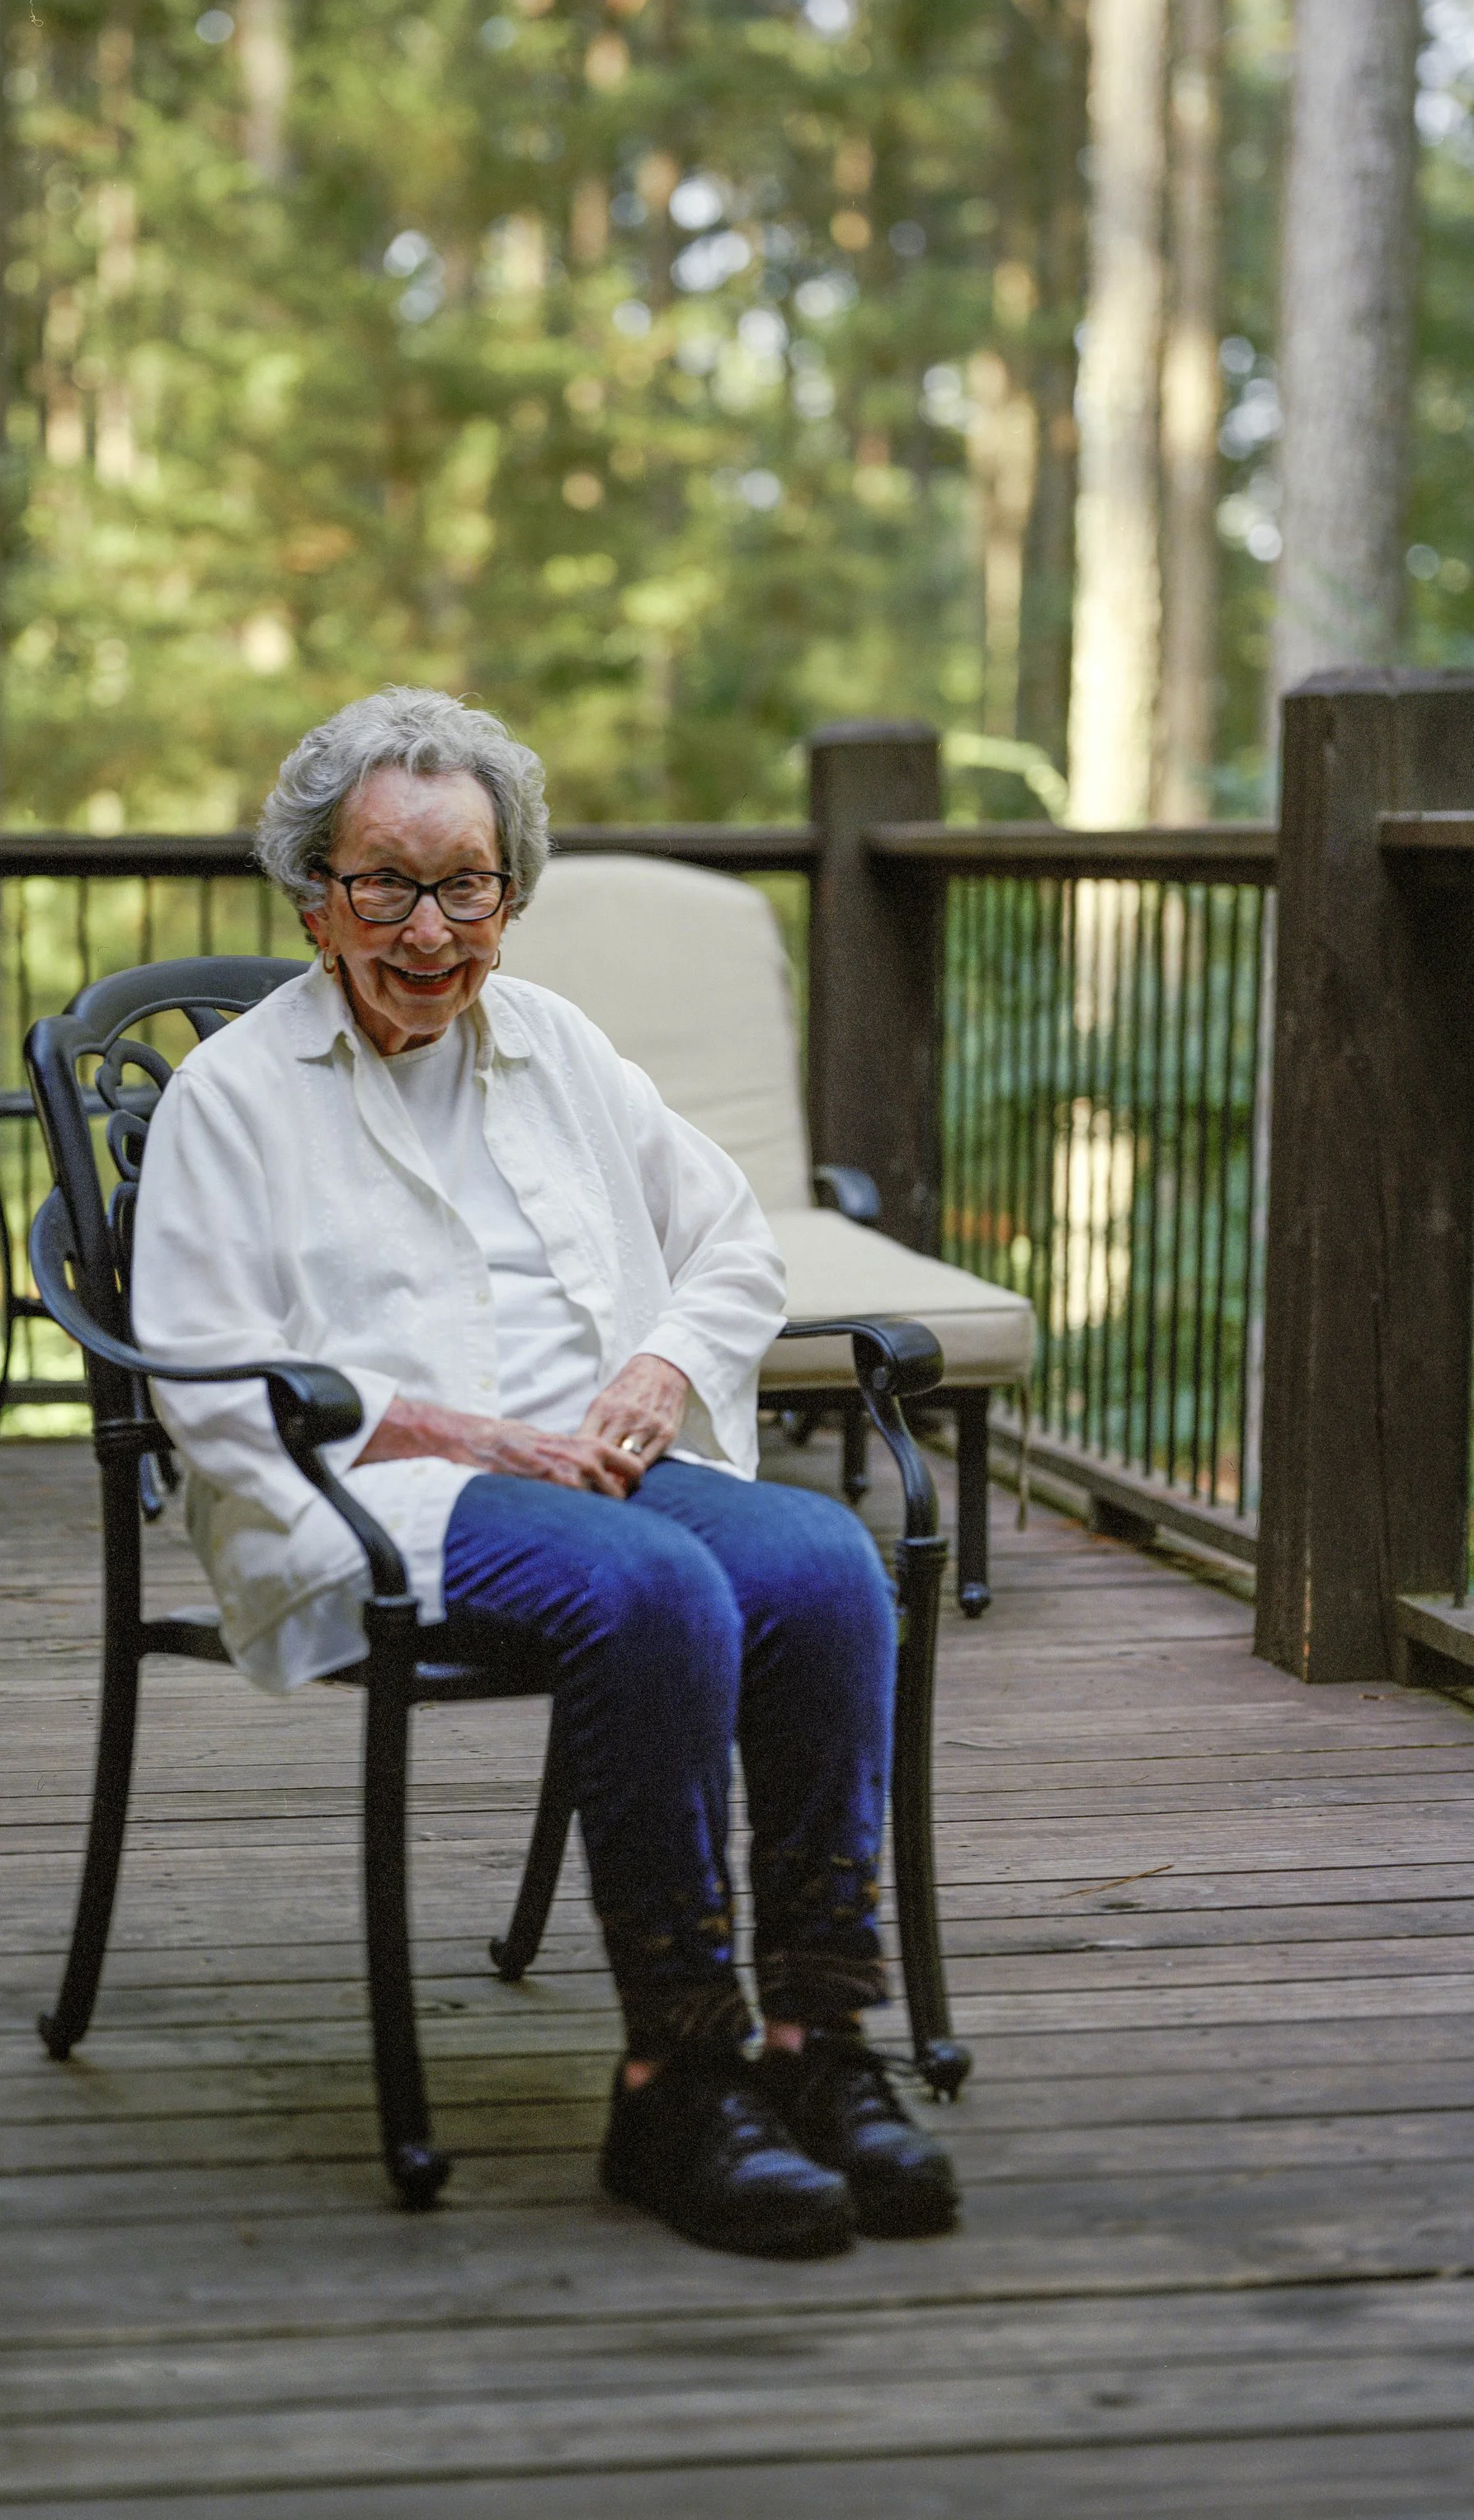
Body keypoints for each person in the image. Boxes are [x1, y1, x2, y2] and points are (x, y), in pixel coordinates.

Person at [132, 685, 956, 2259]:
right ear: (315, 893)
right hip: (383, 1495)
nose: (431, 928)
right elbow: (218, 1390)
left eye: (469, 886)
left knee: (823, 1566)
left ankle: (821, 2046)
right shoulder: (233, 1097)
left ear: (510, 892)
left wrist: (661, 1366)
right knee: (654, 1591)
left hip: (593, 1465)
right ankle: (676, 2072)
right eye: (387, 883)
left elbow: (729, 1243)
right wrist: (462, 1431)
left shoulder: (562, 1045)